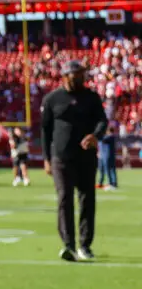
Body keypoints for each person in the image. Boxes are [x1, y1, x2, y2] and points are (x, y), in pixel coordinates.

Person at [42, 59, 107, 262]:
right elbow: (45, 130)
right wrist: (46, 158)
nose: (78, 79)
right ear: (65, 76)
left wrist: (95, 135)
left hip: (86, 157)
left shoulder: (91, 97)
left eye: (81, 75)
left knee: (87, 200)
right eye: (74, 76)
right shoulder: (52, 99)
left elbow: (102, 121)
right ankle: (68, 244)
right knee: (64, 199)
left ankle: (85, 245)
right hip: (61, 158)